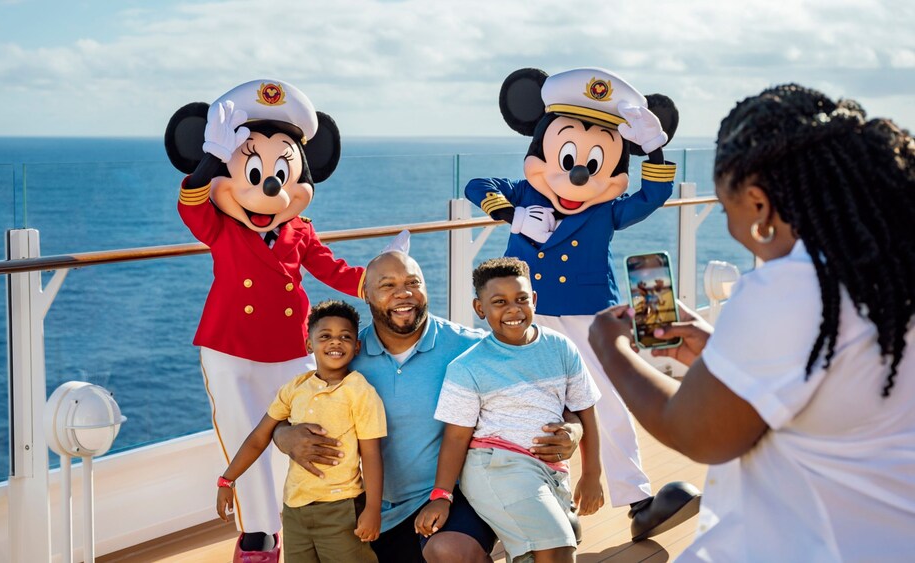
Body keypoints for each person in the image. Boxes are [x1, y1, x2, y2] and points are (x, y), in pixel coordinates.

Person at [588, 84, 915, 561]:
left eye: (727, 207)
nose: (728, 226)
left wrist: (609, 347)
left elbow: (695, 433)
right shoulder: (886, 274)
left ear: (759, 206)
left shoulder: (791, 288)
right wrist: (722, 349)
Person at [464, 67, 699, 540]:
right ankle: (547, 502)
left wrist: (653, 148)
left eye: (595, 162)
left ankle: (637, 499)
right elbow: (476, 184)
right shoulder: (527, 192)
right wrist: (512, 215)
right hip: (526, 312)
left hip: (590, 314)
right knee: (530, 404)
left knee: (607, 401)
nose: (577, 171)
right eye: (567, 154)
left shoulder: (606, 209)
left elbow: (654, 193)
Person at [273, 250, 584, 563]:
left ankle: (550, 518)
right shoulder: (346, 354)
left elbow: (547, 392)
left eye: (413, 282)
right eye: (387, 285)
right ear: (365, 294)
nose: (403, 293)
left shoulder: (470, 347)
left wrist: (574, 429)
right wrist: (284, 437)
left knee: (450, 552)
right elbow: (288, 406)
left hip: (455, 497)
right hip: (373, 508)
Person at [164, 79, 365, 561]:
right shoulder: (220, 224)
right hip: (229, 347)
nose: (269, 184)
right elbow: (189, 202)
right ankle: (258, 532)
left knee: (303, 434)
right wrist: (211, 158)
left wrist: (379, 283)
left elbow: (330, 268)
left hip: (290, 349)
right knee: (243, 434)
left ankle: (297, 520)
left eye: (282, 170)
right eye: (253, 168)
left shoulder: (299, 229)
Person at [415, 258, 604, 563]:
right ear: (480, 309)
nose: (513, 310)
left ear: (535, 300)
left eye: (521, 299)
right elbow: (455, 439)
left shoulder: (561, 348)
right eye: (499, 302)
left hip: (551, 473)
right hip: (497, 467)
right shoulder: (468, 367)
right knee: (557, 549)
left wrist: (593, 473)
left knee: (539, 554)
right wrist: (442, 496)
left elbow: (585, 411)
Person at [216, 300, 385, 563]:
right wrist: (227, 479)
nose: (335, 342)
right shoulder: (294, 389)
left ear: (357, 346)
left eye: (345, 337)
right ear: (309, 345)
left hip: (342, 509)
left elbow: (372, 454)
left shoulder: (360, 391)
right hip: (295, 511)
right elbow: (259, 437)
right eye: (325, 336)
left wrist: (373, 509)